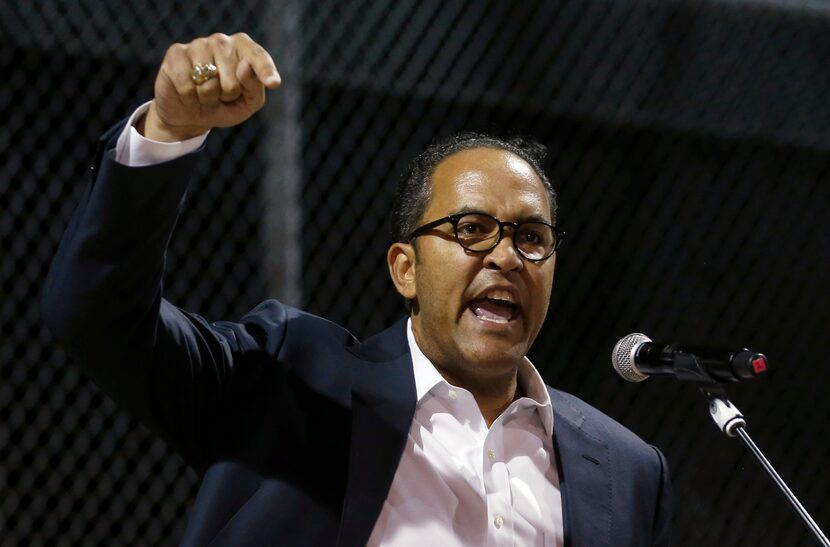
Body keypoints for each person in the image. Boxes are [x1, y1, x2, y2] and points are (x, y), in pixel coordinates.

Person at [42, 33, 671, 546]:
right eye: (471, 229)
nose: (507, 255)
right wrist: (168, 131)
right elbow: (99, 317)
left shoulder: (626, 470)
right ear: (406, 269)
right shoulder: (290, 378)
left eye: (532, 237)